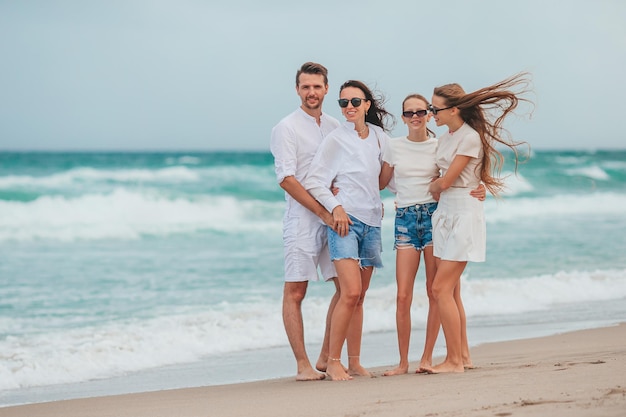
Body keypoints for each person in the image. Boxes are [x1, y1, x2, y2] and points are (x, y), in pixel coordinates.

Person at [427, 73, 531, 373]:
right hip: (445, 214)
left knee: (440, 289)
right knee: (452, 290)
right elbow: (443, 178)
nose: (433, 114)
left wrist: (434, 186)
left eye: (436, 109)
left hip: (464, 214)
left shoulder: (470, 137)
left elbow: (446, 181)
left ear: (453, 110)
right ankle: (464, 357)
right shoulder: (445, 137)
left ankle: (454, 361)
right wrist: (437, 185)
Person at [379, 94, 485, 376]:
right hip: (404, 219)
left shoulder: (440, 144)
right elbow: (380, 181)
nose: (415, 116)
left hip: (435, 217)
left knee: (438, 290)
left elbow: (461, 172)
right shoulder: (393, 146)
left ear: (428, 114)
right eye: (409, 112)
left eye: (421, 111)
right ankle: (403, 362)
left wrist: (481, 186)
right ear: (402, 117)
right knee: (403, 296)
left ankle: (427, 357)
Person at [304, 80, 394, 381]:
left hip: (372, 223)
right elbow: (315, 181)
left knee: (360, 296)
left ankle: (354, 362)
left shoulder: (380, 137)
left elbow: (389, 181)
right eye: (343, 103)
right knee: (350, 291)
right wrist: (336, 207)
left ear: (367, 104)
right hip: (345, 224)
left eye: (355, 102)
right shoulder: (335, 139)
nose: (349, 108)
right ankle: (332, 361)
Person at [270, 62, 342, 381]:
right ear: (297, 90)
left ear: (326, 88)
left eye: (316, 86)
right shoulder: (286, 127)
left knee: (346, 286)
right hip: (301, 220)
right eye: (305, 87)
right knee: (296, 291)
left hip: (333, 216)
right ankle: (303, 365)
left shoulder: (335, 125)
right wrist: (321, 210)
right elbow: (286, 178)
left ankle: (327, 356)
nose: (311, 92)